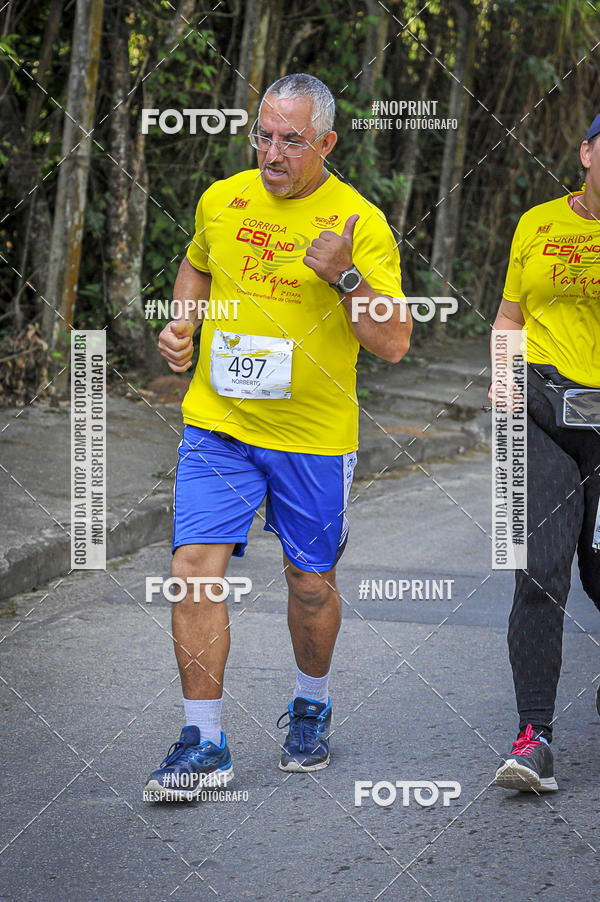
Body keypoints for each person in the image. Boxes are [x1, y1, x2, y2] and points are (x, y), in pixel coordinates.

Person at [144, 73, 412, 800]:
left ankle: (310, 702)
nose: (271, 152)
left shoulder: (360, 223)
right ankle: (204, 739)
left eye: (290, 140)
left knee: (310, 584)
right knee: (194, 564)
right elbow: (196, 265)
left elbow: (393, 342)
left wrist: (347, 276)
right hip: (219, 426)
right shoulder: (222, 200)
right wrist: (183, 325)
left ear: (325, 142)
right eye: (263, 134)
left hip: (314, 437)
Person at [492, 114, 600, 793]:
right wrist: (503, 380)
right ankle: (535, 738)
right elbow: (509, 318)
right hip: (543, 412)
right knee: (538, 569)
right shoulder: (536, 224)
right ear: (587, 150)